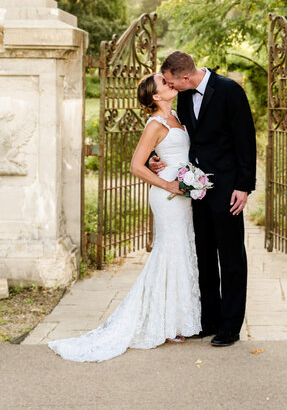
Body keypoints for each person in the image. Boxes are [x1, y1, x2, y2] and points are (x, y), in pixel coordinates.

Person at [47, 73, 201, 362]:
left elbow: (173, 153)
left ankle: (177, 320)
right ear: (156, 97)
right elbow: (135, 165)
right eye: (165, 84)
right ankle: (163, 323)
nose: (170, 84)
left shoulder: (177, 115)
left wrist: (183, 176)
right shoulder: (155, 124)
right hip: (167, 195)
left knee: (182, 249)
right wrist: (167, 183)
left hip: (182, 192)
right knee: (169, 251)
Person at [150, 51, 256, 347]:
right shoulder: (183, 96)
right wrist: (156, 159)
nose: (171, 87)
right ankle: (209, 320)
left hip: (227, 188)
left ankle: (230, 326)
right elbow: (176, 136)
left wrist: (243, 186)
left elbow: (245, 140)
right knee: (204, 255)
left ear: (185, 76)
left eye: (172, 82)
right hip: (194, 189)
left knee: (231, 256)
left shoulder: (229, 91)